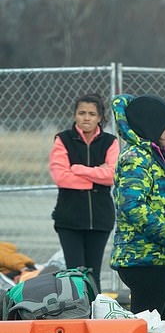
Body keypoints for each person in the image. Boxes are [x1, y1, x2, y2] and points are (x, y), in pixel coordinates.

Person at [110, 94, 165, 321]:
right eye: (162, 124)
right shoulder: (136, 157)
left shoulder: (154, 154)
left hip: (155, 259)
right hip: (144, 258)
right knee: (148, 331)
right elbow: (133, 205)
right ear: (147, 125)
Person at [49, 93, 119, 293]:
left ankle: (93, 317)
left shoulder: (110, 142)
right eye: (81, 113)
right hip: (69, 219)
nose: (86, 118)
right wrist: (97, 176)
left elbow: (113, 175)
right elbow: (61, 177)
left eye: (91, 113)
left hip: (100, 218)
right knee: (75, 273)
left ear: (100, 117)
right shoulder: (63, 140)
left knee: (93, 273)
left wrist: (79, 169)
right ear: (75, 115)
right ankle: (77, 315)